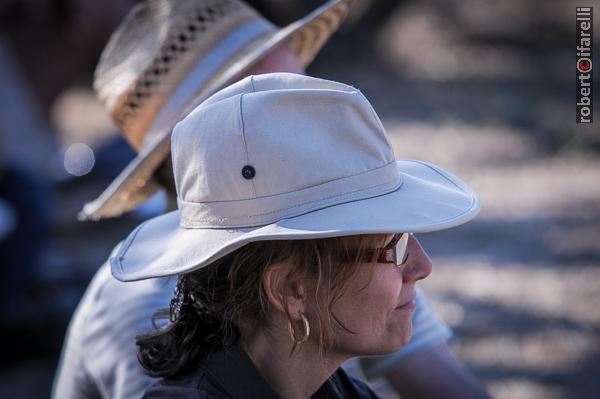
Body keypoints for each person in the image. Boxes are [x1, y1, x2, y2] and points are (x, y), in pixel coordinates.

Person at [54, 1, 490, 398]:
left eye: (299, 84)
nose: (304, 115)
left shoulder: (351, 241)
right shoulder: (146, 307)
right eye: (260, 96)